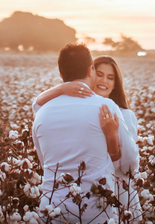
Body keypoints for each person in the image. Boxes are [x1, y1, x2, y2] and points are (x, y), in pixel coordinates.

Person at [33, 54, 141, 221]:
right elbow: (37, 105)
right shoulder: (75, 105)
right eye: (99, 74)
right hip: (90, 198)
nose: (103, 81)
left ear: (115, 84)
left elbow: (126, 167)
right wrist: (62, 88)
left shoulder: (125, 115)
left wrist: (112, 137)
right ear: (90, 72)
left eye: (110, 78)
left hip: (118, 193)